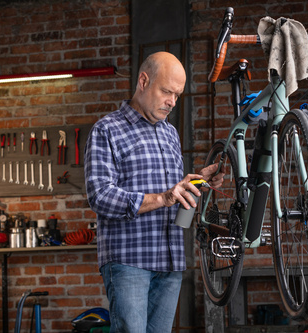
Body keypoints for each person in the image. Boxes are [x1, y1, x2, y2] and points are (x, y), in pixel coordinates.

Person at [84, 51, 225, 333]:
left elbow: (174, 191)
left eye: (178, 95)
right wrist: (163, 198)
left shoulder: (169, 133)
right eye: (166, 91)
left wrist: (200, 182)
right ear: (143, 81)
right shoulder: (107, 130)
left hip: (169, 259)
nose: (172, 101)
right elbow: (99, 195)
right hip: (129, 260)